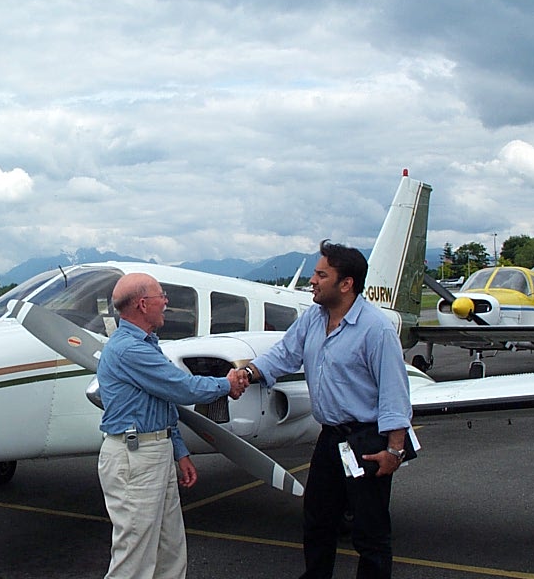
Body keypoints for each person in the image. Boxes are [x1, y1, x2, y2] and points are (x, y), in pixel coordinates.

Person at [241, 240, 412, 579]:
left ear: (346, 283)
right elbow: (283, 354)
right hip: (330, 439)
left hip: (366, 442)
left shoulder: (376, 330)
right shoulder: (312, 319)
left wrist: (394, 450)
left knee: (370, 530)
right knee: (317, 521)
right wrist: (247, 373)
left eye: (321, 274)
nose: (313, 281)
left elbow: (395, 393)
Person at [96, 272, 249, 579]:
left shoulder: (146, 344)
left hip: (152, 451)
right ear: (142, 304)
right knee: (134, 559)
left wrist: (178, 450)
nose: (166, 303)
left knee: (170, 551)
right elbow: (181, 388)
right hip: (136, 458)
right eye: (161, 297)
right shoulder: (130, 349)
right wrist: (227, 383)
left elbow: (162, 400)